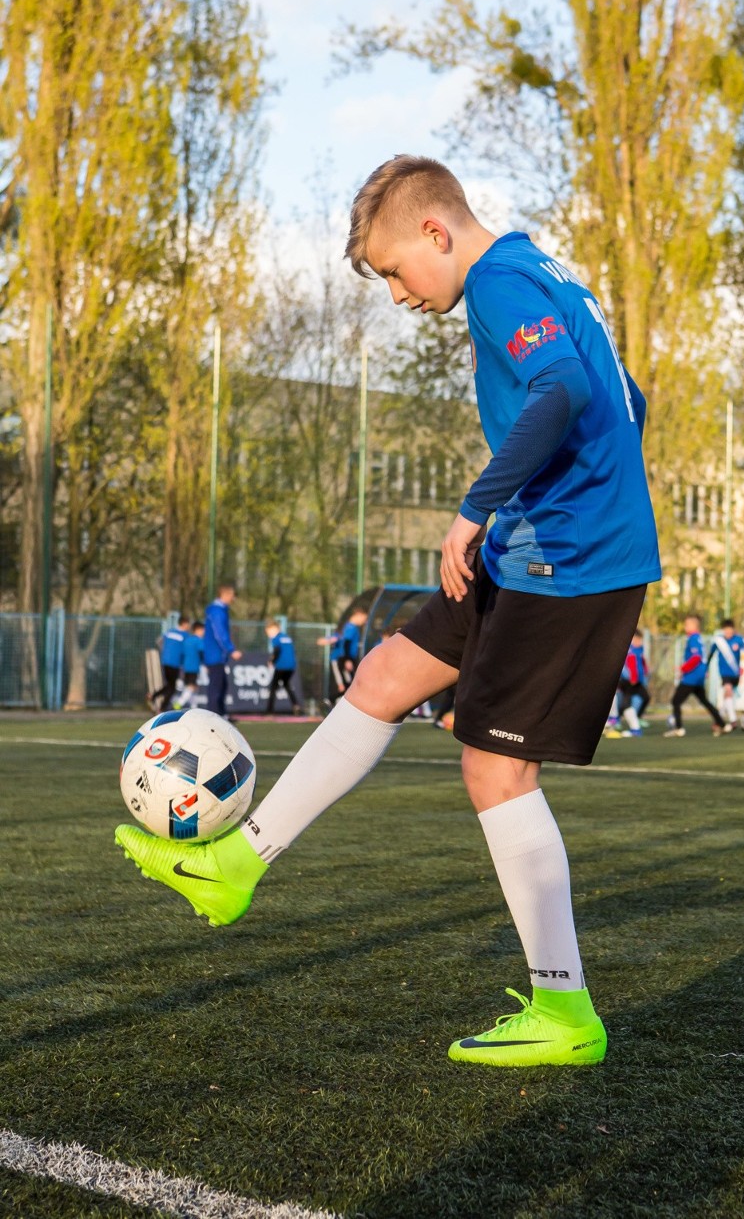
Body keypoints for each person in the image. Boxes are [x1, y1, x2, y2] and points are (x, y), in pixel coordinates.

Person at [116, 153, 661, 1069]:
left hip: (570, 561)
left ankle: (566, 1013)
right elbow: (625, 399)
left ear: (435, 233)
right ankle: (235, 865)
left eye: (396, 271)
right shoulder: (545, 272)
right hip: (533, 543)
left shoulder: (496, 280)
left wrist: (480, 504)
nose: (400, 295)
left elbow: (564, 390)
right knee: (384, 676)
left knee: (495, 774)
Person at [665, 614, 728, 737]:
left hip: (691, 678)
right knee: (705, 701)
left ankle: (679, 728)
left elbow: (696, 657)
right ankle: (722, 724)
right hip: (699, 677)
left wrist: (683, 668)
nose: (685, 626)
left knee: (675, 701)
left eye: (687, 624)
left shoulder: (693, 638)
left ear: (694, 626)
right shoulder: (698, 638)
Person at [707, 618, 744, 728]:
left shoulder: (738, 640)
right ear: (723, 630)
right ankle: (733, 719)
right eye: (726, 630)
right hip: (724, 673)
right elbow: (710, 655)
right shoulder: (719, 641)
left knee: (727, 697)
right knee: (728, 691)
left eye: (730, 630)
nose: (728, 632)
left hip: (735, 674)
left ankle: (718, 719)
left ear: (733, 630)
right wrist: (706, 669)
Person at [203, 584, 242, 718]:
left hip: (218, 654)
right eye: (232, 595)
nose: (233, 598)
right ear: (224, 595)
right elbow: (220, 633)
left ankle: (220, 713)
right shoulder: (217, 611)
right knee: (216, 686)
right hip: (215, 654)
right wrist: (231, 650)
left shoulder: (220, 610)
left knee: (222, 684)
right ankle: (214, 716)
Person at [317, 608, 368, 705]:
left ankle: (333, 702)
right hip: (342, 659)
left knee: (350, 685)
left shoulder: (351, 628)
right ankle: (329, 701)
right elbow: (346, 643)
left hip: (347, 659)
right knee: (345, 686)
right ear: (358, 615)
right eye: (364, 619)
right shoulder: (350, 628)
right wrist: (347, 660)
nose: (364, 622)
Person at [148, 616, 190, 712]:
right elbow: (187, 650)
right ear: (184, 624)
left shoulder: (169, 632)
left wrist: (165, 651)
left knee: (170, 685)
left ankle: (153, 696)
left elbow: (158, 640)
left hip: (165, 661)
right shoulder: (185, 635)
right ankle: (162, 708)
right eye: (188, 624)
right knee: (172, 688)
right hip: (175, 663)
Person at [265, 620, 301, 716]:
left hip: (281, 666)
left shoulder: (276, 638)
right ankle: (296, 705)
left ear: (275, 629)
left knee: (273, 687)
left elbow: (277, 650)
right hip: (291, 666)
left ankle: (269, 711)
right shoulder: (287, 637)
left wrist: (272, 661)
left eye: (269, 632)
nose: (268, 635)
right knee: (286, 684)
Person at [617, 631, 650, 736]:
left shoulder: (639, 650)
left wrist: (645, 670)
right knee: (626, 704)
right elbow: (631, 665)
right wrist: (633, 678)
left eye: (640, 640)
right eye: (637, 640)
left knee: (646, 698)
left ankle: (635, 722)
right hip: (630, 682)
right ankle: (634, 728)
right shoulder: (631, 651)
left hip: (637, 681)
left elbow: (642, 662)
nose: (640, 642)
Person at [175, 621, 205, 710]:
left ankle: (194, 707)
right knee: (191, 687)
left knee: (194, 687)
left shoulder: (187, 640)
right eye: (203, 630)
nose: (204, 632)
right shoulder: (198, 640)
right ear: (198, 630)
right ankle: (179, 703)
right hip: (194, 667)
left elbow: (182, 653)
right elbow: (202, 652)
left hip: (186, 667)